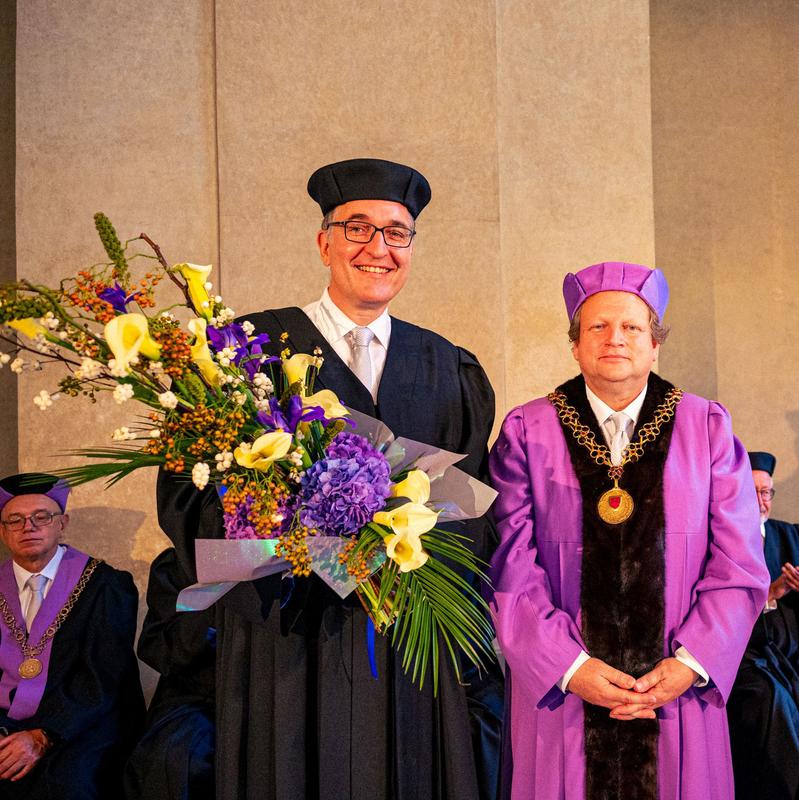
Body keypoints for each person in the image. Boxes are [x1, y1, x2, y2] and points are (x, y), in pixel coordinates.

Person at [157, 158, 503, 800]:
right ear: (323, 242)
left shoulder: (448, 365)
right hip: (284, 635)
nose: (378, 248)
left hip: (405, 634)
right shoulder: (246, 350)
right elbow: (187, 495)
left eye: (397, 233)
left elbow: (472, 507)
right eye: (357, 228)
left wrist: (395, 549)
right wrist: (298, 546)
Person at [488, 262, 770, 800]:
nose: (614, 338)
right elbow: (508, 563)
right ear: (575, 345)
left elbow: (739, 561)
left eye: (631, 327)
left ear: (655, 343)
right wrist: (568, 666)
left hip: (675, 691)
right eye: (597, 327)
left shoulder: (706, 427)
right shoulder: (527, 431)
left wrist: (691, 663)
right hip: (566, 696)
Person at [0, 472, 144, 800]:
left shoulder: (106, 586)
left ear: (62, 523)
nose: (29, 527)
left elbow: (103, 677)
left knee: (67, 785)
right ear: (3, 530)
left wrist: (44, 734)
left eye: (41, 517)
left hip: (80, 725)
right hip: (6, 721)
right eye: (15, 520)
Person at [727, 451, 799, 799]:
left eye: (766, 492)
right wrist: (772, 593)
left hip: (791, 655)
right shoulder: (721, 541)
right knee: (770, 698)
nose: (761, 501)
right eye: (752, 491)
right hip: (746, 657)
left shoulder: (791, 538)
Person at [123, 547, 215, 800]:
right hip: (199, 698)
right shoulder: (179, 564)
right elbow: (159, 650)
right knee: (176, 757)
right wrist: (224, 583)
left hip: (287, 694)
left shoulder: (309, 556)